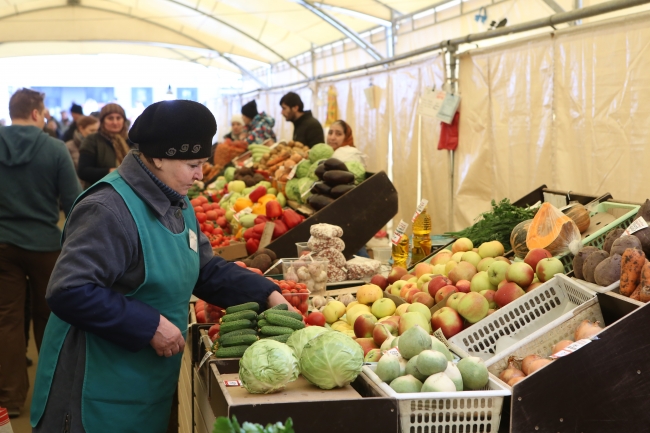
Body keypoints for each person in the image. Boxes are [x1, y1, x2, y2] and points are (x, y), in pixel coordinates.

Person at [31, 100, 296, 432]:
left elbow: (203, 269)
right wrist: (149, 324)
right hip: (92, 390)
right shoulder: (108, 208)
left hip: (139, 384)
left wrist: (267, 293)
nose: (201, 175)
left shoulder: (175, 201)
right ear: (157, 157)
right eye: (193, 165)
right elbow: (68, 290)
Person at [0, 88, 82, 418]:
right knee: (50, 319)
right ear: (35, 113)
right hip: (46, 245)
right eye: (44, 110)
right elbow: (73, 200)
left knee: (6, 320)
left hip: (3, 246)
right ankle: (52, 395)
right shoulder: (54, 148)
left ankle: (9, 399)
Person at [77, 103, 131, 187]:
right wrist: (110, 171)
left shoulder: (131, 141)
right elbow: (83, 171)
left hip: (128, 190)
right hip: (100, 192)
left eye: (118, 118)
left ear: (124, 120)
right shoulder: (92, 140)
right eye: (110, 118)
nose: (115, 122)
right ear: (102, 121)